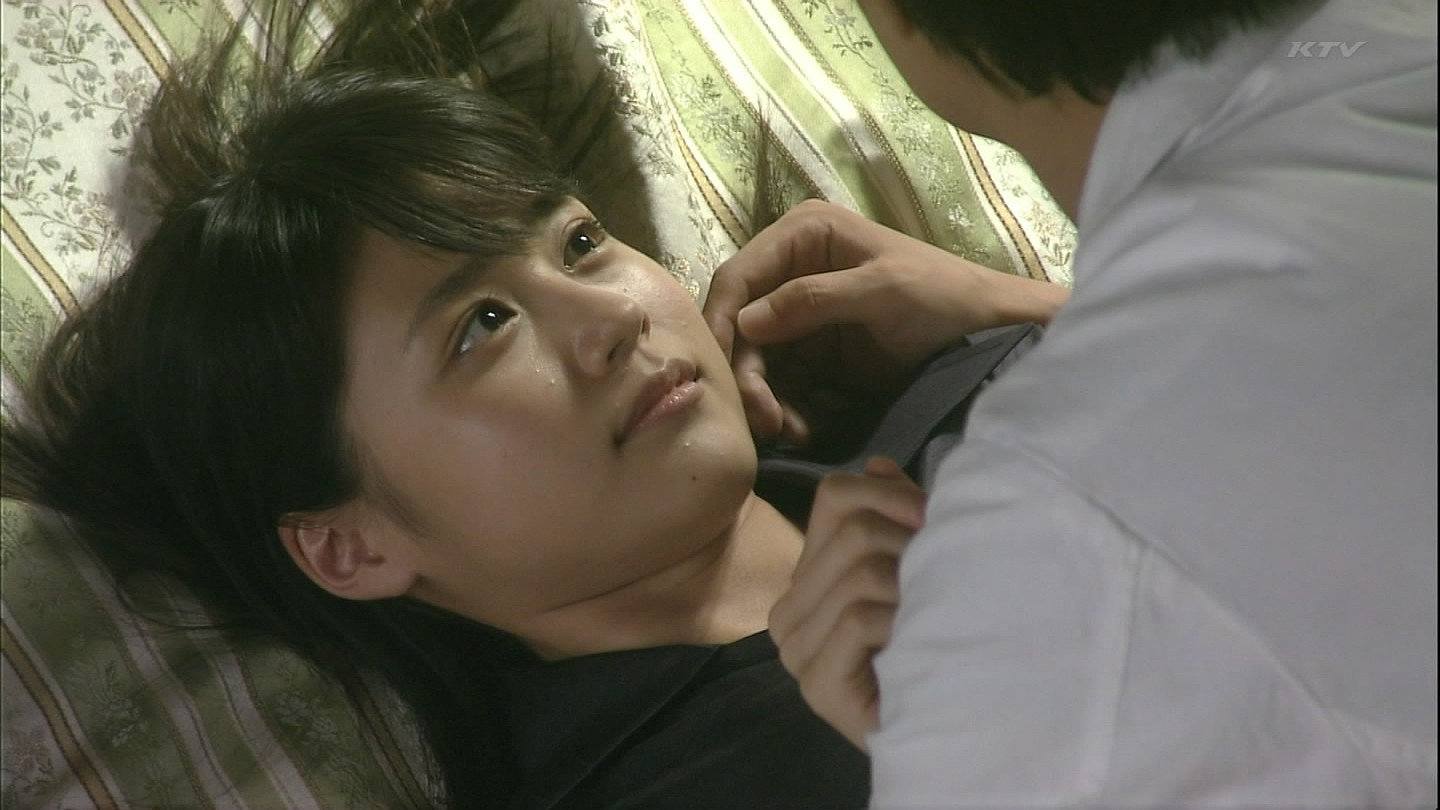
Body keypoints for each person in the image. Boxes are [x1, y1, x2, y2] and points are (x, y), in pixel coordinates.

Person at [0, 1, 1066, 808]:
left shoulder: (964, 385)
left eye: (581, 243)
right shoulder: (690, 780)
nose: (613, 318)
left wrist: (1027, 306)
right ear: (349, 547)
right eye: (482, 325)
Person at [705, 0, 1437, 806]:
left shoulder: (1055, 549)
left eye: (600, 249)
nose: (617, 326)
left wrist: (955, 738)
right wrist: (1031, 303)